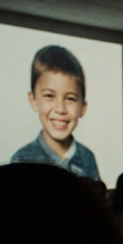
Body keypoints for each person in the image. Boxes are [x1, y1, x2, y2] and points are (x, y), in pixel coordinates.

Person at [10, 46, 100, 182]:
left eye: (70, 99)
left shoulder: (87, 158)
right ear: (33, 100)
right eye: (49, 96)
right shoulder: (21, 161)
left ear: (83, 107)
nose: (60, 109)